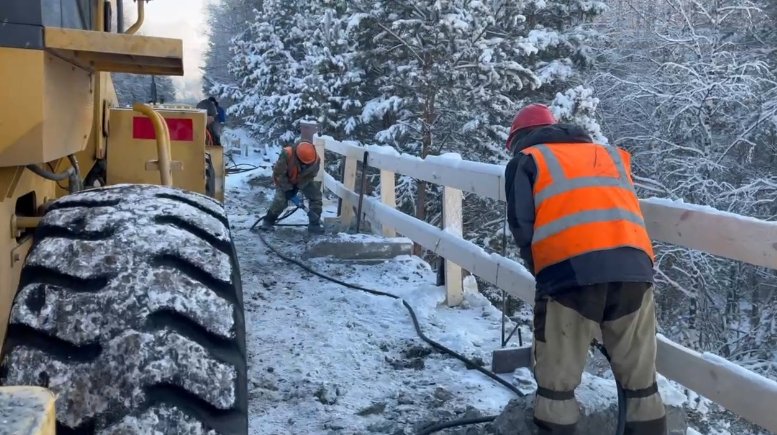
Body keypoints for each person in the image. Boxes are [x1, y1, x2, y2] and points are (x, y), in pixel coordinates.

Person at [504, 103, 666, 434]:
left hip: (568, 275)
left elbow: (523, 227)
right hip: (635, 269)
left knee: (557, 384)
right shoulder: (609, 155)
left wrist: (544, 275)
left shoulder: (527, 161)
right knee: (640, 382)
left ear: (519, 138)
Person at [260, 120, 324, 233]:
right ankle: (268, 221)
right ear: (297, 157)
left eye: (307, 164)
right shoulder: (287, 154)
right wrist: (288, 189)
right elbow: (279, 174)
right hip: (285, 180)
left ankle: (315, 223)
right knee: (280, 200)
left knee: (316, 196)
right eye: (302, 163)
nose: (305, 166)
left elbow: (310, 176)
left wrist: (298, 187)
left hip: (303, 180)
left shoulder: (315, 160)